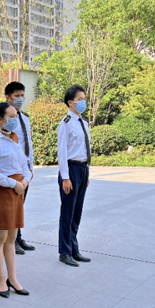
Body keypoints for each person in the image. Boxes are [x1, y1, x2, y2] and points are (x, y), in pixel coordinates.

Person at [0, 102, 31, 298]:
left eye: (16, 116)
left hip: (17, 192)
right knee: (0, 238)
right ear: (0, 119)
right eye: (11, 116)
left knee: (12, 237)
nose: (14, 120)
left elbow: (25, 167)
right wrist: (13, 184)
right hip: (4, 192)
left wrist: (26, 180)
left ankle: (13, 278)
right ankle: (1, 279)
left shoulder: (15, 141)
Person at [0, 82, 35, 255]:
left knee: (19, 206)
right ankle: (12, 239)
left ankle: (18, 237)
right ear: (8, 98)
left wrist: (30, 166)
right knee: (10, 208)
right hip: (11, 170)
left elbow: (29, 143)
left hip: (23, 169)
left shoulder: (24, 118)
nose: (20, 98)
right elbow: (1, 144)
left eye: (22, 95)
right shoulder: (3, 120)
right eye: (16, 96)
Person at [57, 85, 92, 267]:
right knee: (67, 213)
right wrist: (65, 177)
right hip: (70, 170)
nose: (83, 102)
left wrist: (87, 173)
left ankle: (74, 249)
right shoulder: (66, 123)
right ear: (70, 103)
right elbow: (62, 152)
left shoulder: (83, 123)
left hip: (82, 169)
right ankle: (65, 251)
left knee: (77, 213)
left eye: (84, 98)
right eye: (79, 99)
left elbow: (86, 150)